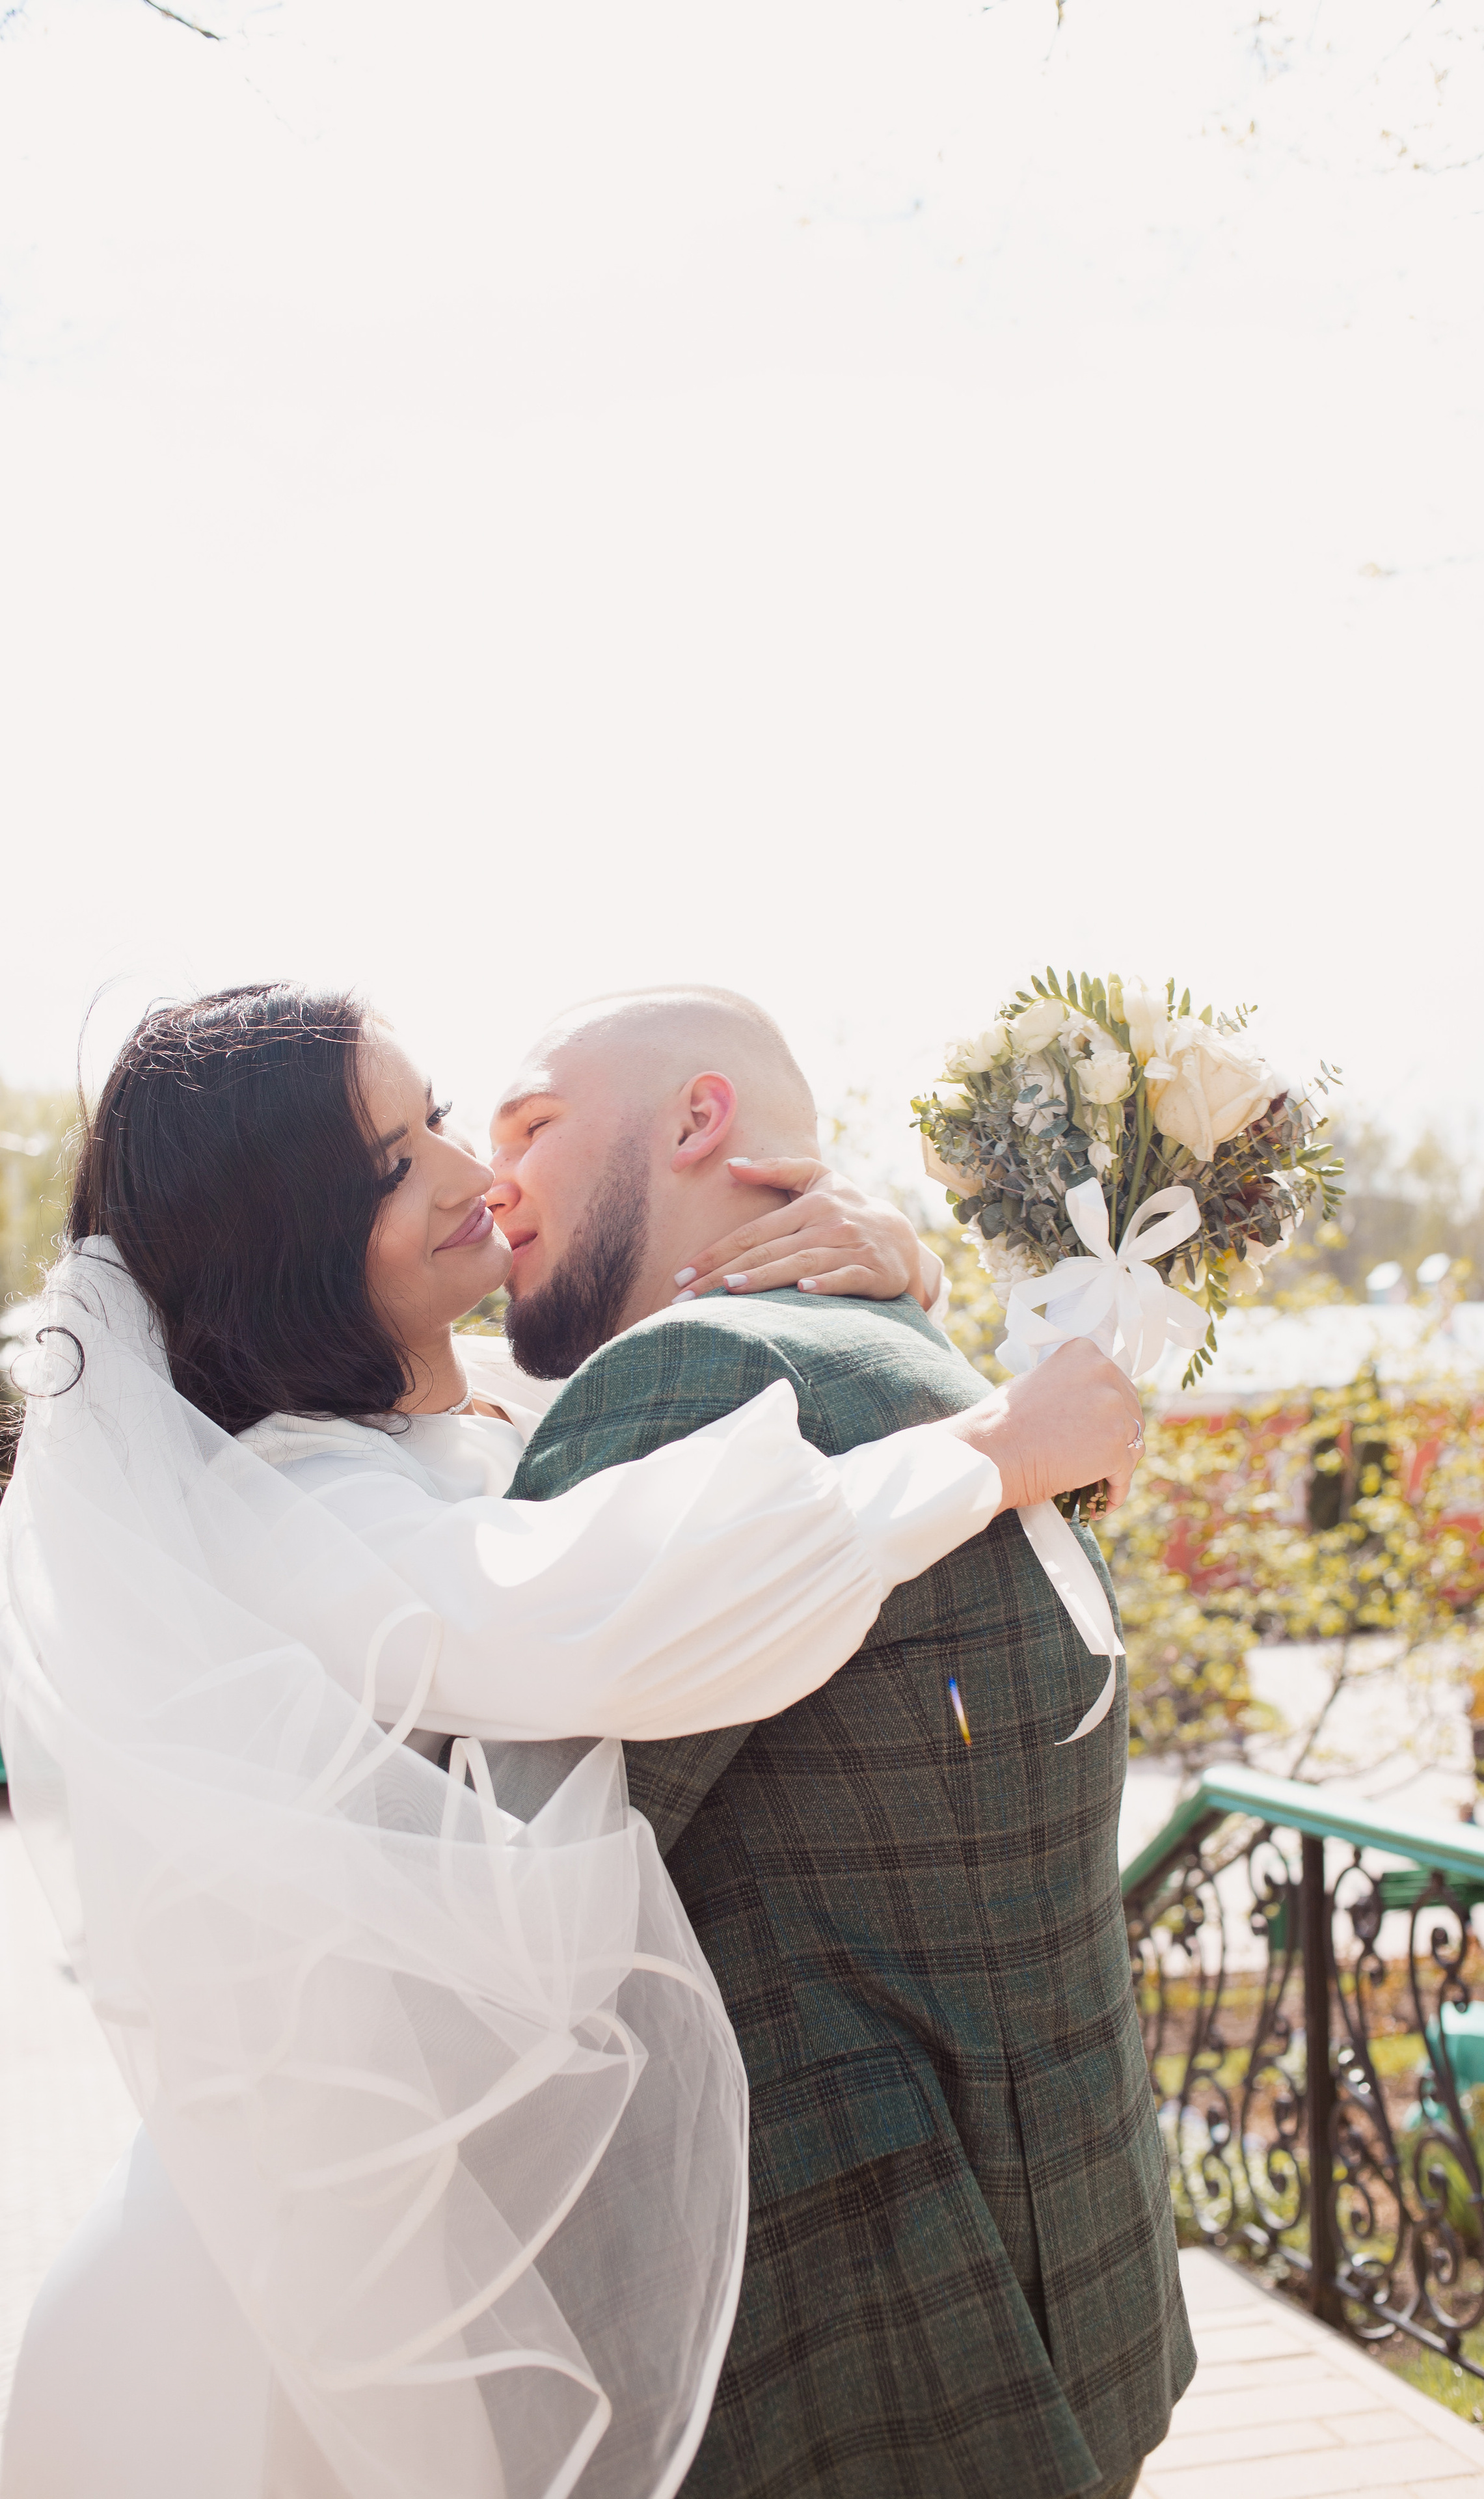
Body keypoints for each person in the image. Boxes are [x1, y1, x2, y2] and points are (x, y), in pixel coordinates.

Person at [0, 984, 1150, 2499]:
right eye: (395, 1159)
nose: (469, 1170)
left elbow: (610, 1407)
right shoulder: (286, 1507)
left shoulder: (434, 1424)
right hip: (303, 2290)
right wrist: (995, 1446)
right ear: (289, 1242)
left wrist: (893, 1264)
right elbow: (595, 1609)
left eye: (442, 1117)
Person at [488, 987, 1194, 2499]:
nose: (493, 1184)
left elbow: (504, 1911)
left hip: (869, 2364)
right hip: (1071, 2291)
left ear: (698, 1118)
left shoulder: (693, 1380)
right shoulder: (917, 1360)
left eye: (530, 1125)